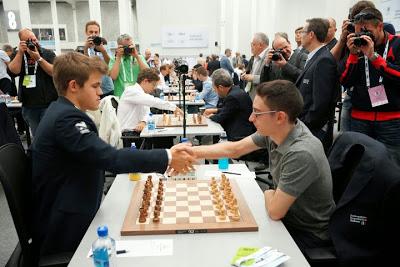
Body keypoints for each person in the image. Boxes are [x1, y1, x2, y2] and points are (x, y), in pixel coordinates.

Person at [31, 52, 194, 258]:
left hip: (78, 205)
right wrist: (167, 157)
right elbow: (109, 158)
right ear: (73, 86)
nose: (101, 92)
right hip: (68, 226)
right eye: (95, 86)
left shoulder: (61, 111)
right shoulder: (66, 119)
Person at [192, 80, 335, 252]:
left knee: (227, 246)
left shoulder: (301, 152)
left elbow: (275, 211)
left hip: (306, 233)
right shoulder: (278, 130)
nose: (251, 118)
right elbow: (235, 149)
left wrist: (268, 191)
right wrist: (192, 152)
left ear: (280, 117)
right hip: (286, 218)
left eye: (257, 113)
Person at [339, 7, 400, 165]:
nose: (363, 36)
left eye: (367, 31)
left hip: (391, 121)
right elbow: (345, 81)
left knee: (390, 166)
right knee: (359, 165)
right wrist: (352, 55)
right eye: (359, 32)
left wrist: (373, 57)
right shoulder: (356, 48)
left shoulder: (397, 44)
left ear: (380, 26)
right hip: (360, 119)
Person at [295, 18, 339, 152]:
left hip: (313, 131)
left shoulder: (323, 60)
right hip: (306, 126)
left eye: (303, 32)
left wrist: (304, 125)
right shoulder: (315, 57)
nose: (300, 35)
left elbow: (321, 103)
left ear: (311, 35)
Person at [8, 28, 58, 136]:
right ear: (22, 42)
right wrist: (20, 53)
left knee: (49, 134)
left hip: (48, 103)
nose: (32, 43)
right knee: (37, 135)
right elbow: (13, 71)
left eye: (34, 39)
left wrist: (39, 59)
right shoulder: (18, 55)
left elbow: (54, 72)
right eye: (28, 41)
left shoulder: (47, 53)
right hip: (29, 105)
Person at [118, 68, 183, 147]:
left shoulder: (141, 93)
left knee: (166, 139)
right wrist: (174, 107)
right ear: (145, 81)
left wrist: (143, 121)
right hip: (129, 135)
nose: (155, 88)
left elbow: (147, 111)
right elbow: (153, 101)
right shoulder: (132, 91)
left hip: (137, 132)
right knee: (163, 141)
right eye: (153, 84)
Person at [203, 69, 255, 141]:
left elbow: (221, 118)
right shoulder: (236, 90)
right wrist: (216, 110)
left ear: (220, 87)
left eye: (214, 88)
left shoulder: (232, 97)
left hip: (240, 136)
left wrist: (209, 117)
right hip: (245, 131)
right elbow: (230, 109)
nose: (214, 91)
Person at [83, 20, 114, 97]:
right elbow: (85, 67)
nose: (94, 34)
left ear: (99, 33)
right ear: (86, 33)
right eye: (91, 32)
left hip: (107, 88)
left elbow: (110, 64)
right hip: (92, 88)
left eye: (96, 32)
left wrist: (103, 51)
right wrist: (86, 49)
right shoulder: (83, 48)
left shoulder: (104, 46)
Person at [241, 32, 269, 100]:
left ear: (260, 45)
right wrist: (245, 75)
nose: (251, 47)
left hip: (263, 96)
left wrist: (252, 78)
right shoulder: (255, 56)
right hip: (253, 94)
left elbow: (269, 78)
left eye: (253, 44)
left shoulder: (269, 57)